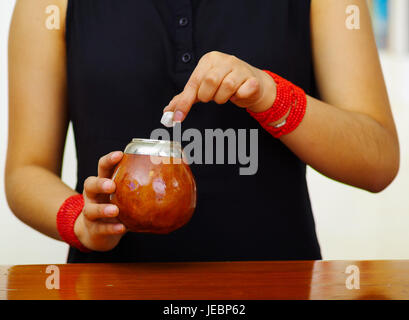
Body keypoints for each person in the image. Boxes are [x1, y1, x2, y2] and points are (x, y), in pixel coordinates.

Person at [5, 0, 399, 263]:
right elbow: (26, 171)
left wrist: (269, 94)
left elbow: (377, 161)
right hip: (109, 284)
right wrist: (81, 221)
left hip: (277, 284)